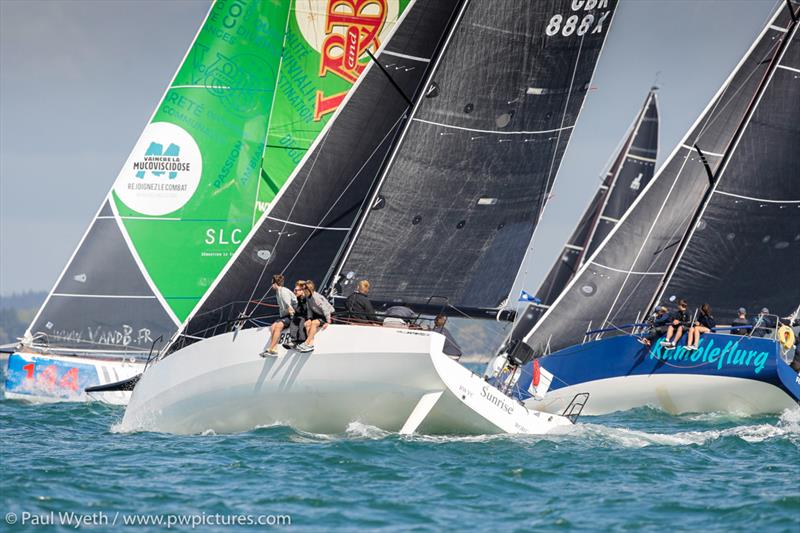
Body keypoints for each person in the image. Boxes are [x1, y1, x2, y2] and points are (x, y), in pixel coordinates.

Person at [260, 274, 297, 356]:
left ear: (274, 283)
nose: (271, 285)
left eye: (271, 283)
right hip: (284, 315)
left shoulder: (283, 292)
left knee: (278, 326)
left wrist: (293, 321)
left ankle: (271, 349)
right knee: (273, 326)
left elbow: (290, 308)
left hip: (293, 314)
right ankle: (274, 348)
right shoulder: (278, 292)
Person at [299, 280, 335, 353]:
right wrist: (309, 318)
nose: (302, 291)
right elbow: (309, 309)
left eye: (303, 289)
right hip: (320, 314)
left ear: (308, 289)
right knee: (307, 324)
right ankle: (310, 345)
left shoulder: (316, 298)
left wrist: (328, 322)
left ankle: (306, 342)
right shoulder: (307, 297)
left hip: (328, 315)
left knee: (314, 323)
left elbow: (325, 309)